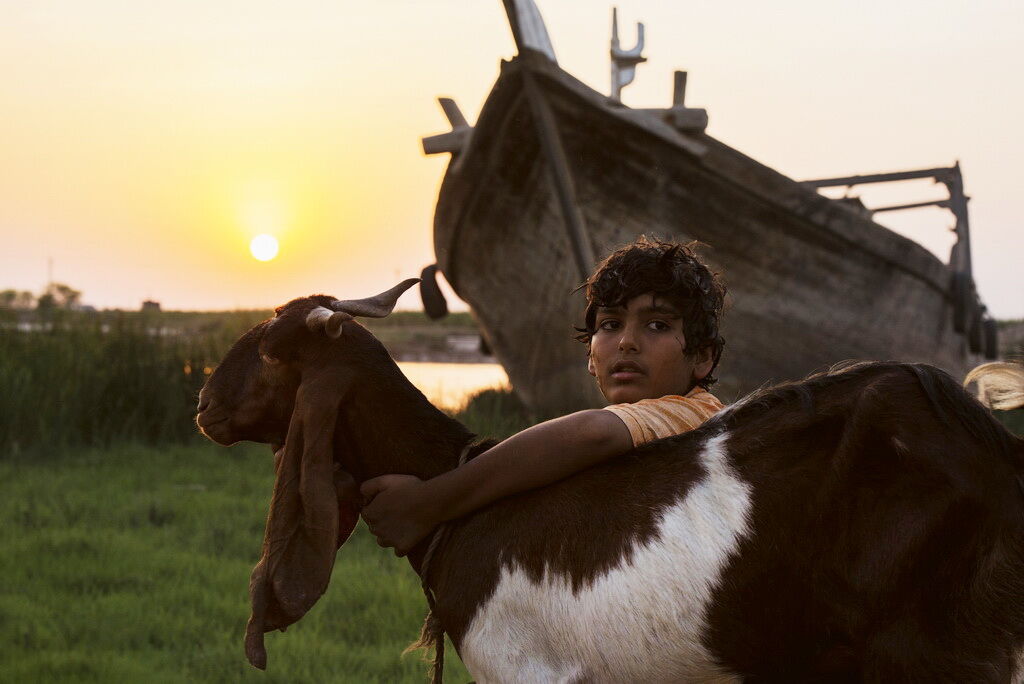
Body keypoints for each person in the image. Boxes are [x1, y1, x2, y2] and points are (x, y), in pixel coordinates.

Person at [360, 236, 728, 555]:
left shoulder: (695, 416)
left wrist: (427, 504)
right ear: (590, 357)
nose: (627, 342)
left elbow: (591, 433)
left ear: (702, 357)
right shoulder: (649, 436)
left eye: (658, 325)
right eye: (610, 325)